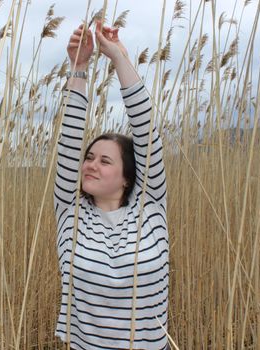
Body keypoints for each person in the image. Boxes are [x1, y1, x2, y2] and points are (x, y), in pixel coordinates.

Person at [54, 21, 169, 350]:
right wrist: (78, 68)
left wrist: (119, 59)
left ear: (127, 177)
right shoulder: (70, 214)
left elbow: (146, 129)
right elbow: (69, 141)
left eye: (105, 161)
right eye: (89, 157)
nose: (90, 164)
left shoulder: (150, 208)